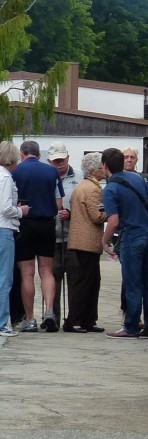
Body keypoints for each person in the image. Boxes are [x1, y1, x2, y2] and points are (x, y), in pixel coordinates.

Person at [100, 147, 148, 340]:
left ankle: (131, 326)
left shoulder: (110, 189)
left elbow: (114, 221)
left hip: (132, 238)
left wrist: (105, 241)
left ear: (105, 166)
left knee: (133, 284)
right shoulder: (137, 178)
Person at [12, 140, 62, 332]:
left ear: (22, 154)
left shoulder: (17, 171)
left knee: (27, 273)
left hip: (25, 223)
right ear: (39, 155)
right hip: (47, 224)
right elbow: (59, 204)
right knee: (46, 270)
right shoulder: (52, 171)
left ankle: (30, 319)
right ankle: (49, 311)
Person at [63, 151, 108, 334]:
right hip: (86, 242)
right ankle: (76, 320)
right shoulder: (93, 189)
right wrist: (113, 215)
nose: (105, 170)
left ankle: (86, 320)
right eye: (102, 167)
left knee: (89, 281)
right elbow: (96, 216)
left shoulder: (82, 186)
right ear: (96, 169)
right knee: (86, 282)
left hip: (80, 241)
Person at [0, 141, 31, 337]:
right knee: (5, 278)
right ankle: (3, 323)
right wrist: (21, 211)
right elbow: (5, 208)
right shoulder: (5, 177)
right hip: (4, 229)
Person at [47, 141, 78, 323]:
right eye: (55, 160)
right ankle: (53, 317)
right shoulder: (45, 178)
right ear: (49, 161)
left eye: (62, 159)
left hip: (72, 236)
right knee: (53, 277)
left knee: (74, 279)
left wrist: (71, 213)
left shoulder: (79, 178)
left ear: (67, 157)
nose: (59, 163)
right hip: (51, 236)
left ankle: (74, 318)